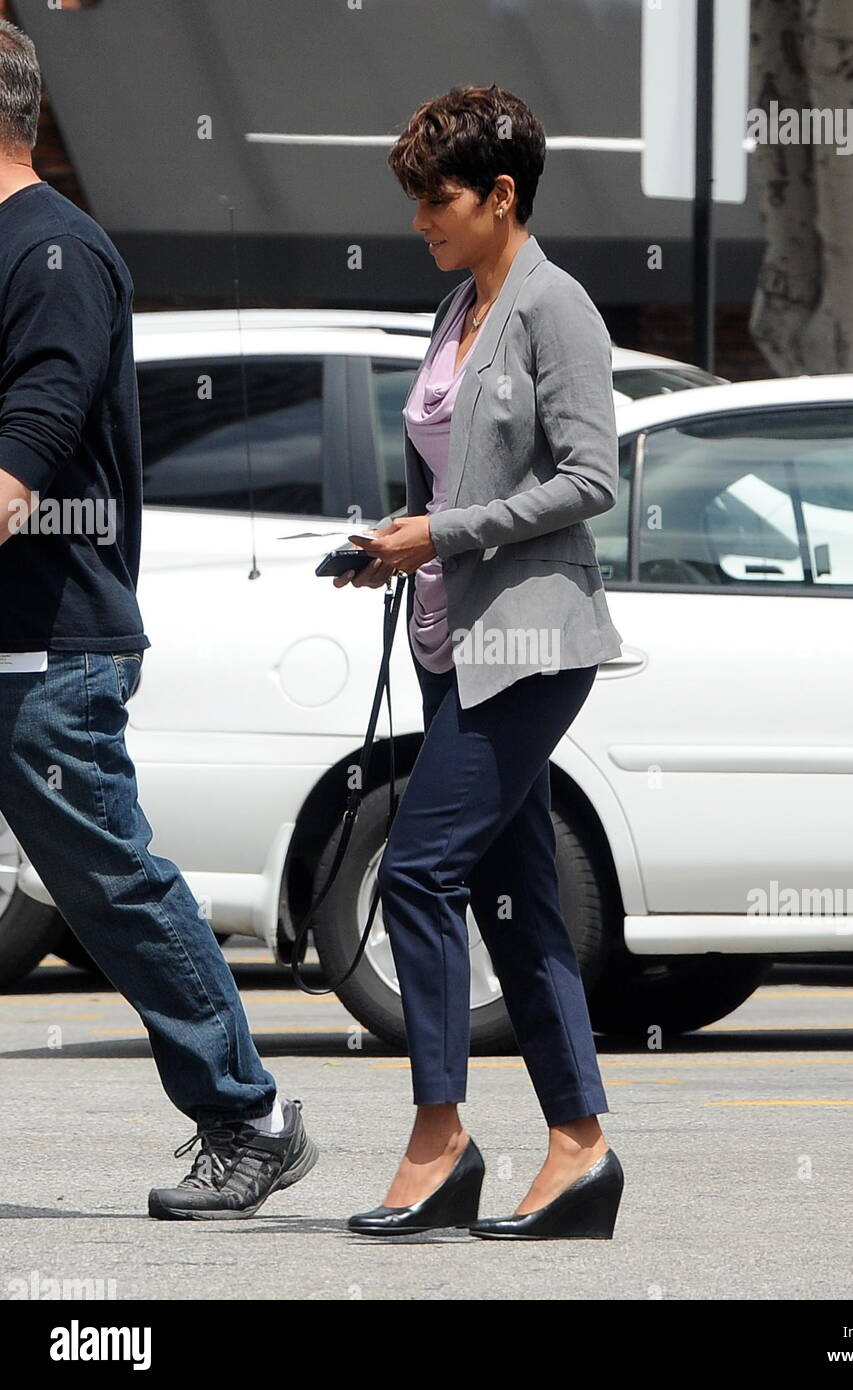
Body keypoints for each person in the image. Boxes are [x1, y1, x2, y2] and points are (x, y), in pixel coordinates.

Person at [0, 17, 316, 1219]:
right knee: (104, 884)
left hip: (51, 648)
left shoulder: (53, 259)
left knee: (109, 885)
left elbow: (25, 449)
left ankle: (249, 1113)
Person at [334, 84, 625, 1239]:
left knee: (416, 870)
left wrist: (438, 536)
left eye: (438, 200)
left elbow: (592, 478)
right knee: (518, 904)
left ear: (503, 195)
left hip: (533, 646)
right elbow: (448, 473)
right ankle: (580, 1148)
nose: (421, 222)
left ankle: (441, 1136)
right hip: (451, 640)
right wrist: (387, 552)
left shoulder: (557, 308)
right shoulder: (457, 307)